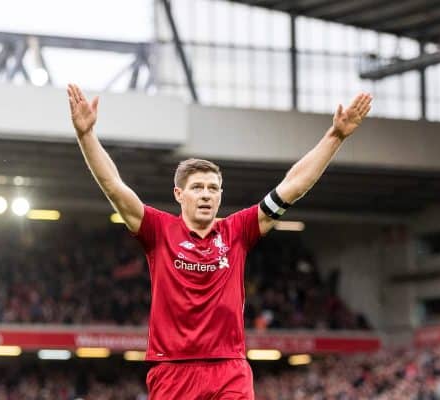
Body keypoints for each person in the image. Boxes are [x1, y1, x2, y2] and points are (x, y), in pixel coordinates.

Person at [67, 83, 372, 399]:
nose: (206, 195)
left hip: (229, 368)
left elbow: (292, 185)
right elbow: (114, 186)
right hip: (173, 370)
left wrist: (334, 137)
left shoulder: (237, 230)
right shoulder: (158, 230)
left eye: (213, 188)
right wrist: (86, 136)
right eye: (198, 187)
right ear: (179, 194)